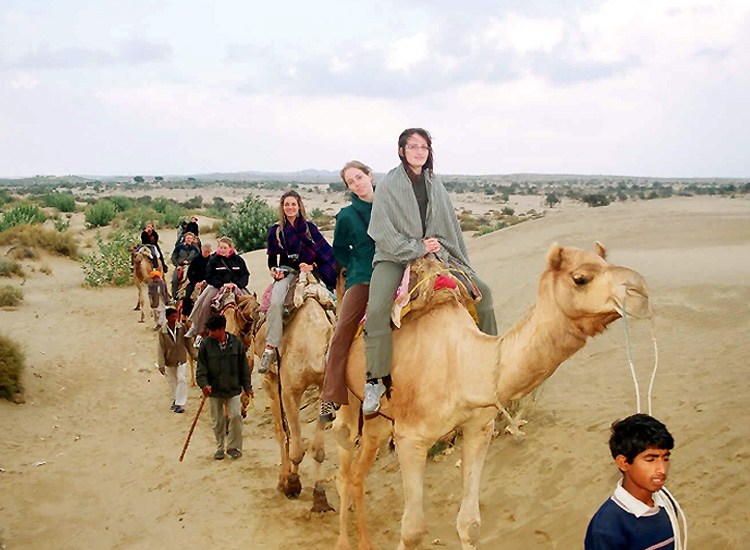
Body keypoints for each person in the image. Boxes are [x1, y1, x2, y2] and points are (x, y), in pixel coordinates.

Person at [363, 128, 497, 414]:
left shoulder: (435, 184)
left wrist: (436, 249)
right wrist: (416, 247)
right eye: (413, 147)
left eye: (424, 147)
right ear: (401, 151)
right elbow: (382, 232)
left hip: (436, 254)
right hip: (394, 257)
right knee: (376, 311)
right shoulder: (387, 185)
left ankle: (492, 361)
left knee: (482, 293)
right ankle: (374, 379)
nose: (419, 152)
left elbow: (450, 228)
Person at [319, 161, 376, 423]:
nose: (357, 183)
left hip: (400, 269)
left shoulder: (389, 205)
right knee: (343, 328)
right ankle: (330, 395)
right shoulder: (346, 216)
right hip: (363, 276)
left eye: (359, 177)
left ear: (369, 175)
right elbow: (339, 249)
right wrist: (355, 263)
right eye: (350, 182)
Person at [258, 190, 337, 374]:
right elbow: (272, 259)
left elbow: (326, 253)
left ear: (299, 206)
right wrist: (274, 271)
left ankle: (335, 349)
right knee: (276, 303)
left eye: (293, 204)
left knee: (331, 303)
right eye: (287, 204)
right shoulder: (276, 231)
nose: (290, 207)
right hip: (286, 272)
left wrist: (313, 266)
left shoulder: (310, 228)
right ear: (282, 207)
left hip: (310, 272)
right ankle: (270, 348)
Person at [585, 414, 682, 550]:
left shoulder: (667, 504)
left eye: (665, 459)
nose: (662, 470)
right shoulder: (607, 528)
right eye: (650, 460)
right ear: (623, 463)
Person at [196, 314, 253, 460]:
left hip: (233, 388)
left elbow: (244, 368)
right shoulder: (206, 345)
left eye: (213, 331)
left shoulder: (237, 344)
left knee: (235, 416)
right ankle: (220, 447)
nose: (210, 334)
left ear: (222, 329)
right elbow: (201, 368)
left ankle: (233, 447)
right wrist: (204, 385)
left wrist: (247, 387)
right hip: (214, 390)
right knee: (218, 421)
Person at [185, 237, 249, 344]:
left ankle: (251, 332)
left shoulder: (239, 260)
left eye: (225, 247)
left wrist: (235, 284)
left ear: (230, 248)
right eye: (221, 247)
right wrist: (222, 284)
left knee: (250, 303)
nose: (222, 249)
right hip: (217, 286)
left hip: (235, 286)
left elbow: (245, 275)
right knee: (205, 303)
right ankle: (199, 332)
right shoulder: (214, 259)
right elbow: (209, 275)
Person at [156, 308, 189, 413]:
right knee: (173, 381)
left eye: (175, 316)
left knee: (182, 379)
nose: (174, 318)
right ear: (167, 318)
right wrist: (161, 364)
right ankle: (176, 400)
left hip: (181, 358)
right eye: (172, 316)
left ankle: (179, 403)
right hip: (169, 360)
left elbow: (187, 342)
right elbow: (160, 348)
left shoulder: (182, 328)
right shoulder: (163, 331)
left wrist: (194, 355)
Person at [182, 243, 212, 318]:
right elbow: (189, 272)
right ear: (202, 250)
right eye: (205, 251)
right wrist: (195, 282)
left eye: (208, 252)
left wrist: (206, 281)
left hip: (208, 282)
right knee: (187, 296)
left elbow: (213, 273)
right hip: (195, 281)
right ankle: (184, 314)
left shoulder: (212, 260)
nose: (206, 253)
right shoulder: (196, 259)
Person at [170, 232, 200, 298]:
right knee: (174, 280)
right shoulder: (178, 247)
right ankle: (174, 297)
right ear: (185, 238)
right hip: (180, 267)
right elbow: (173, 258)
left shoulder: (195, 249)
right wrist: (177, 265)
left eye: (191, 238)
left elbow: (199, 259)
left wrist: (189, 262)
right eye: (188, 238)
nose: (189, 240)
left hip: (192, 267)